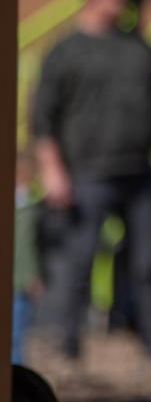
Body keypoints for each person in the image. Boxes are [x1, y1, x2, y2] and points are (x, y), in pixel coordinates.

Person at [31, 0, 151, 363]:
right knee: (80, 262)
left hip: (140, 172)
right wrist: (53, 170)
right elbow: (44, 117)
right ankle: (69, 345)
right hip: (86, 174)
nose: (123, 2)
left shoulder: (139, 47)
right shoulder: (66, 51)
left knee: (147, 264)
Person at [13, 149, 43, 366]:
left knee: (17, 332)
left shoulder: (30, 207)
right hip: (19, 282)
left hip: (19, 282)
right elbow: (26, 248)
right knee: (15, 332)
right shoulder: (28, 209)